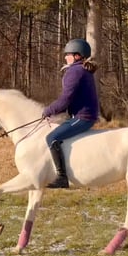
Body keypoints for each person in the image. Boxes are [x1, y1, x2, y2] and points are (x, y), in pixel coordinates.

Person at [41, 38, 99, 188]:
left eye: (68, 54)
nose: (65, 57)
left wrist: (48, 110)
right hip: (83, 115)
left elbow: (65, 99)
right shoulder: (82, 70)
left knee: (52, 137)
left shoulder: (75, 71)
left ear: (77, 56)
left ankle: (61, 177)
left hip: (82, 117)